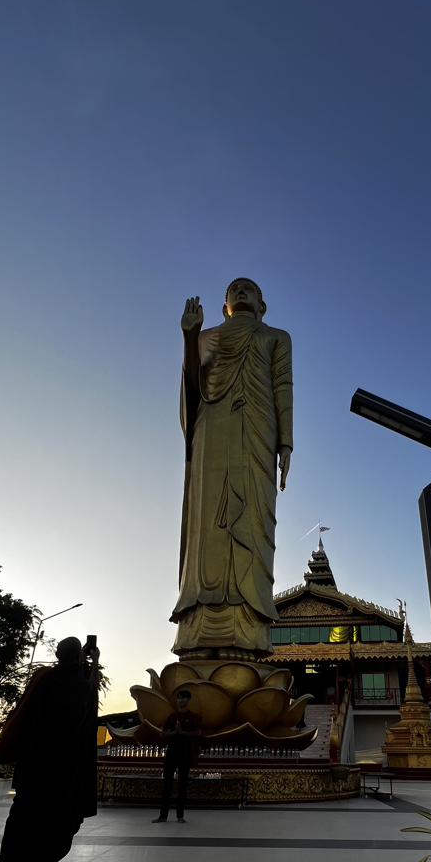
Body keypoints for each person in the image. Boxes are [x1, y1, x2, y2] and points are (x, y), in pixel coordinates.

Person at [171, 277, 293, 656]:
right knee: (207, 522)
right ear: (224, 305)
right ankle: (198, 632)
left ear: (262, 305)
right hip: (211, 430)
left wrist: (286, 441)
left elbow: (282, 387)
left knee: (253, 520)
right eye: (233, 290)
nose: (240, 293)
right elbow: (193, 388)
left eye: (249, 289)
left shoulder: (277, 337)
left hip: (257, 431)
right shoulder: (206, 337)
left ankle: (249, 633)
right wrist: (189, 339)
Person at [0, 636, 99, 862]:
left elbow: (25, 714)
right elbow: (89, 696)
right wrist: (93, 661)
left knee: (17, 824)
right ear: (78, 657)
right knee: (52, 825)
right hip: (61, 769)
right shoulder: (81, 685)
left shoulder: (43, 679)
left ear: (58, 655)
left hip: (32, 766)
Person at [153, 689, 201, 823]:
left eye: (184, 698)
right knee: (167, 784)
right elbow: (163, 733)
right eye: (179, 698)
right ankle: (163, 816)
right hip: (172, 753)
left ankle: (180, 816)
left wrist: (182, 732)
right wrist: (175, 732)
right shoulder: (172, 717)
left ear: (188, 700)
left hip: (185, 753)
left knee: (182, 785)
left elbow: (197, 733)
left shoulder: (193, 717)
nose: (181, 700)